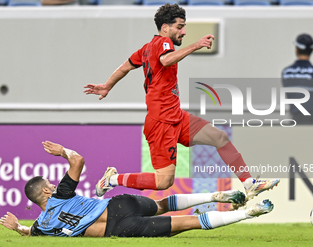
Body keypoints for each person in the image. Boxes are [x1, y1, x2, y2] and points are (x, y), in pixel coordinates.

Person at [84, 3, 279, 200]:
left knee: (220, 138)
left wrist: (108, 85)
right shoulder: (163, 43)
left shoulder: (146, 49)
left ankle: (249, 183)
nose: (184, 31)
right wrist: (196, 44)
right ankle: (112, 180)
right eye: (179, 26)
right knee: (163, 182)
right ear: (165, 27)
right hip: (161, 123)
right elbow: (166, 60)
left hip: (177, 117)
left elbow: (125, 67)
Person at [0, 141, 274, 237]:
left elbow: (29, 232)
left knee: (188, 224)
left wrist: (16, 228)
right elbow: (78, 160)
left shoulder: (42, 226)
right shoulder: (61, 194)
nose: (52, 185)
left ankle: (249, 213)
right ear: (47, 192)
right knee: (162, 204)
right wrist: (62, 152)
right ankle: (213, 196)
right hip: (118, 205)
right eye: (48, 184)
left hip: (119, 229)